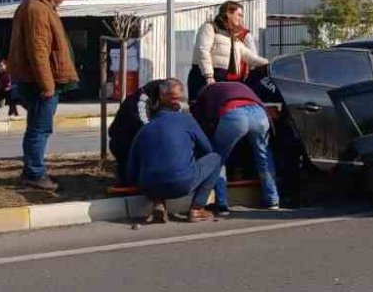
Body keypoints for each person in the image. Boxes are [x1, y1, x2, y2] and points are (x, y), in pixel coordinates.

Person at [8, 0, 78, 192]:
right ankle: (34, 174)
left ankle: (33, 171)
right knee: (40, 129)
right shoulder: (37, 10)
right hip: (39, 83)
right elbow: (39, 50)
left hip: (35, 80)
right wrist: (47, 85)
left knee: (37, 127)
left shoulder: (39, 7)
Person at [126, 80, 221, 224]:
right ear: (179, 101)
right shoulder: (186, 120)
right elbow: (207, 150)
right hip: (181, 183)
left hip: (149, 186)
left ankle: (158, 202)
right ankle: (197, 209)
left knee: (156, 167)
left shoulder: (144, 128)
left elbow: (131, 171)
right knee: (216, 158)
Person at [191, 80, 280, 212]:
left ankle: (221, 204)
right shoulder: (236, 86)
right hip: (260, 114)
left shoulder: (206, 94)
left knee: (217, 158)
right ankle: (273, 200)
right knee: (264, 156)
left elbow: (203, 120)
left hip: (233, 114)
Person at [187, 0, 268, 101]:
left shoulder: (233, 36)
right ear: (228, 13)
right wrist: (209, 76)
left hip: (222, 78)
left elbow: (251, 58)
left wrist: (270, 65)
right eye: (239, 15)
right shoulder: (209, 27)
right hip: (203, 77)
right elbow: (203, 51)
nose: (241, 19)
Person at [108, 78, 182, 183]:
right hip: (125, 140)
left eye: (178, 98)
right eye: (173, 98)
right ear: (162, 94)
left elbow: (177, 122)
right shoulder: (141, 100)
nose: (176, 102)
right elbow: (145, 126)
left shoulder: (171, 103)